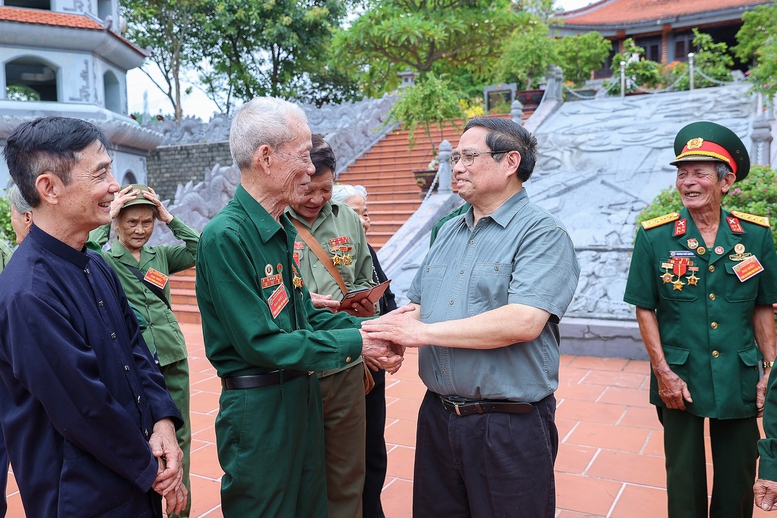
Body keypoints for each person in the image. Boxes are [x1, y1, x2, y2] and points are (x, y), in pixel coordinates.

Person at [195, 97, 402, 518]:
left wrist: (374, 330)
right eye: (304, 155)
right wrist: (356, 343)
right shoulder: (225, 237)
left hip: (301, 394)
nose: (312, 169)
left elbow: (303, 313)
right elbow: (261, 342)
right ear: (266, 158)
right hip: (262, 410)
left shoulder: (279, 230)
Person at [363, 117, 580, 517]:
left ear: (510, 161)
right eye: (454, 157)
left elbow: (523, 321)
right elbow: (421, 305)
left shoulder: (541, 234)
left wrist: (421, 333)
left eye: (468, 156)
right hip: (439, 417)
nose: (456, 167)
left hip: (508, 426)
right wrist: (387, 334)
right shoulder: (447, 230)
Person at [0, 116, 186, 517]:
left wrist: (163, 423)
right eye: (100, 173)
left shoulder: (96, 265)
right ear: (49, 187)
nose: (114, 186)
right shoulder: (28, 293)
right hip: (82, 496)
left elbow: (138, 348)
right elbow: (83, 408)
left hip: (135, 470)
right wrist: (152, 469)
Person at [623, 121, 777, 518]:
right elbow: (644, 306)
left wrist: (769, 371)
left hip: (739, 374)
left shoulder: (755, 236)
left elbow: (763, 305)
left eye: (699, 173)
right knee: (684, 479)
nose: (688, 182)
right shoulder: (656, 237)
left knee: (739, 476)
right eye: (682, 173)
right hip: (680, 374)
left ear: (725, 182)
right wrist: (662, 371)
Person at [88, 183, 199, 518]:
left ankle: (180, 510)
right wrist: (107, 216)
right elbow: (85, 253)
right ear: (118, 224)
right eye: (131, 222)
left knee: (181, 438)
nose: (139, 229)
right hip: (135, 361)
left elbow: (200, 249)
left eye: (147, 222)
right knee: (142, 437)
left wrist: (169, 218)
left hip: (171, 354)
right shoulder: (107, 259)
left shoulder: (160, 256)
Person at [286, 136, 377, 518]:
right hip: (290, 368)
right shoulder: (271, 223)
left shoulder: (347, 220)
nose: (315, 199)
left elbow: (363, 278)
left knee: (346, 473)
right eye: (307, 190)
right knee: (294, 474)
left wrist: (363, 309)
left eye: (325, 189)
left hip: (344, 364)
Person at [332, 183, 398, 518]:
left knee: (373, 450)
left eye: (367, 213)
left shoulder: (367, 251)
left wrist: (393, 337)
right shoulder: (330, 255)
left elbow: (387, 297)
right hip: (344, 365)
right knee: (346, 457)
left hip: (374, 368)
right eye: (358, 214)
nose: (366, 221)